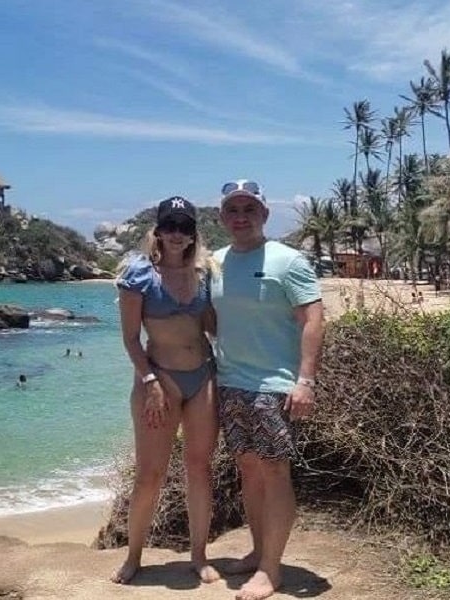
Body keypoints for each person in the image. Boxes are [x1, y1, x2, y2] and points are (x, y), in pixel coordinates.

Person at [210, 179, 324, 600]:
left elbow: (313, 319)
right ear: (222, 217)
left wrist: (305, 380)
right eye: (233, 210)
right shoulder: (215, 263)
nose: (241, 217)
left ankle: (271, 570)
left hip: (274, 385)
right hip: (230, 382)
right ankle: (259, 552)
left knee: (275, 471)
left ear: (264, 214)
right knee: (248, 469)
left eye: (249, 209)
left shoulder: (288, 260)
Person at [112, 196, 220, 585]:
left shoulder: (205, 273)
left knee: (200, 469)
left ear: (193, 234)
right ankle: (133, 557)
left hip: (203, 377)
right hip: (159, 380)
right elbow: (130, 339)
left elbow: (213, 327)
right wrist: (150, 381)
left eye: (184, 227)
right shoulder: (139, 274)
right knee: (149, 475)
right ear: (157, 231)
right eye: (169, 226)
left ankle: (199, 556)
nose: (177, 234)